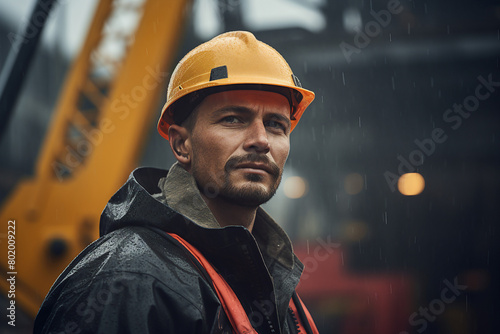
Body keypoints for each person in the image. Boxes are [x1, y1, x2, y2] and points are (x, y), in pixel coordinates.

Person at [34, 30, 318, 334]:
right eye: (234, 119)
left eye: (276, 125)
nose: (261, 140)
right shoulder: (127, 281)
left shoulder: (272, 283)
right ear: (182, 145)